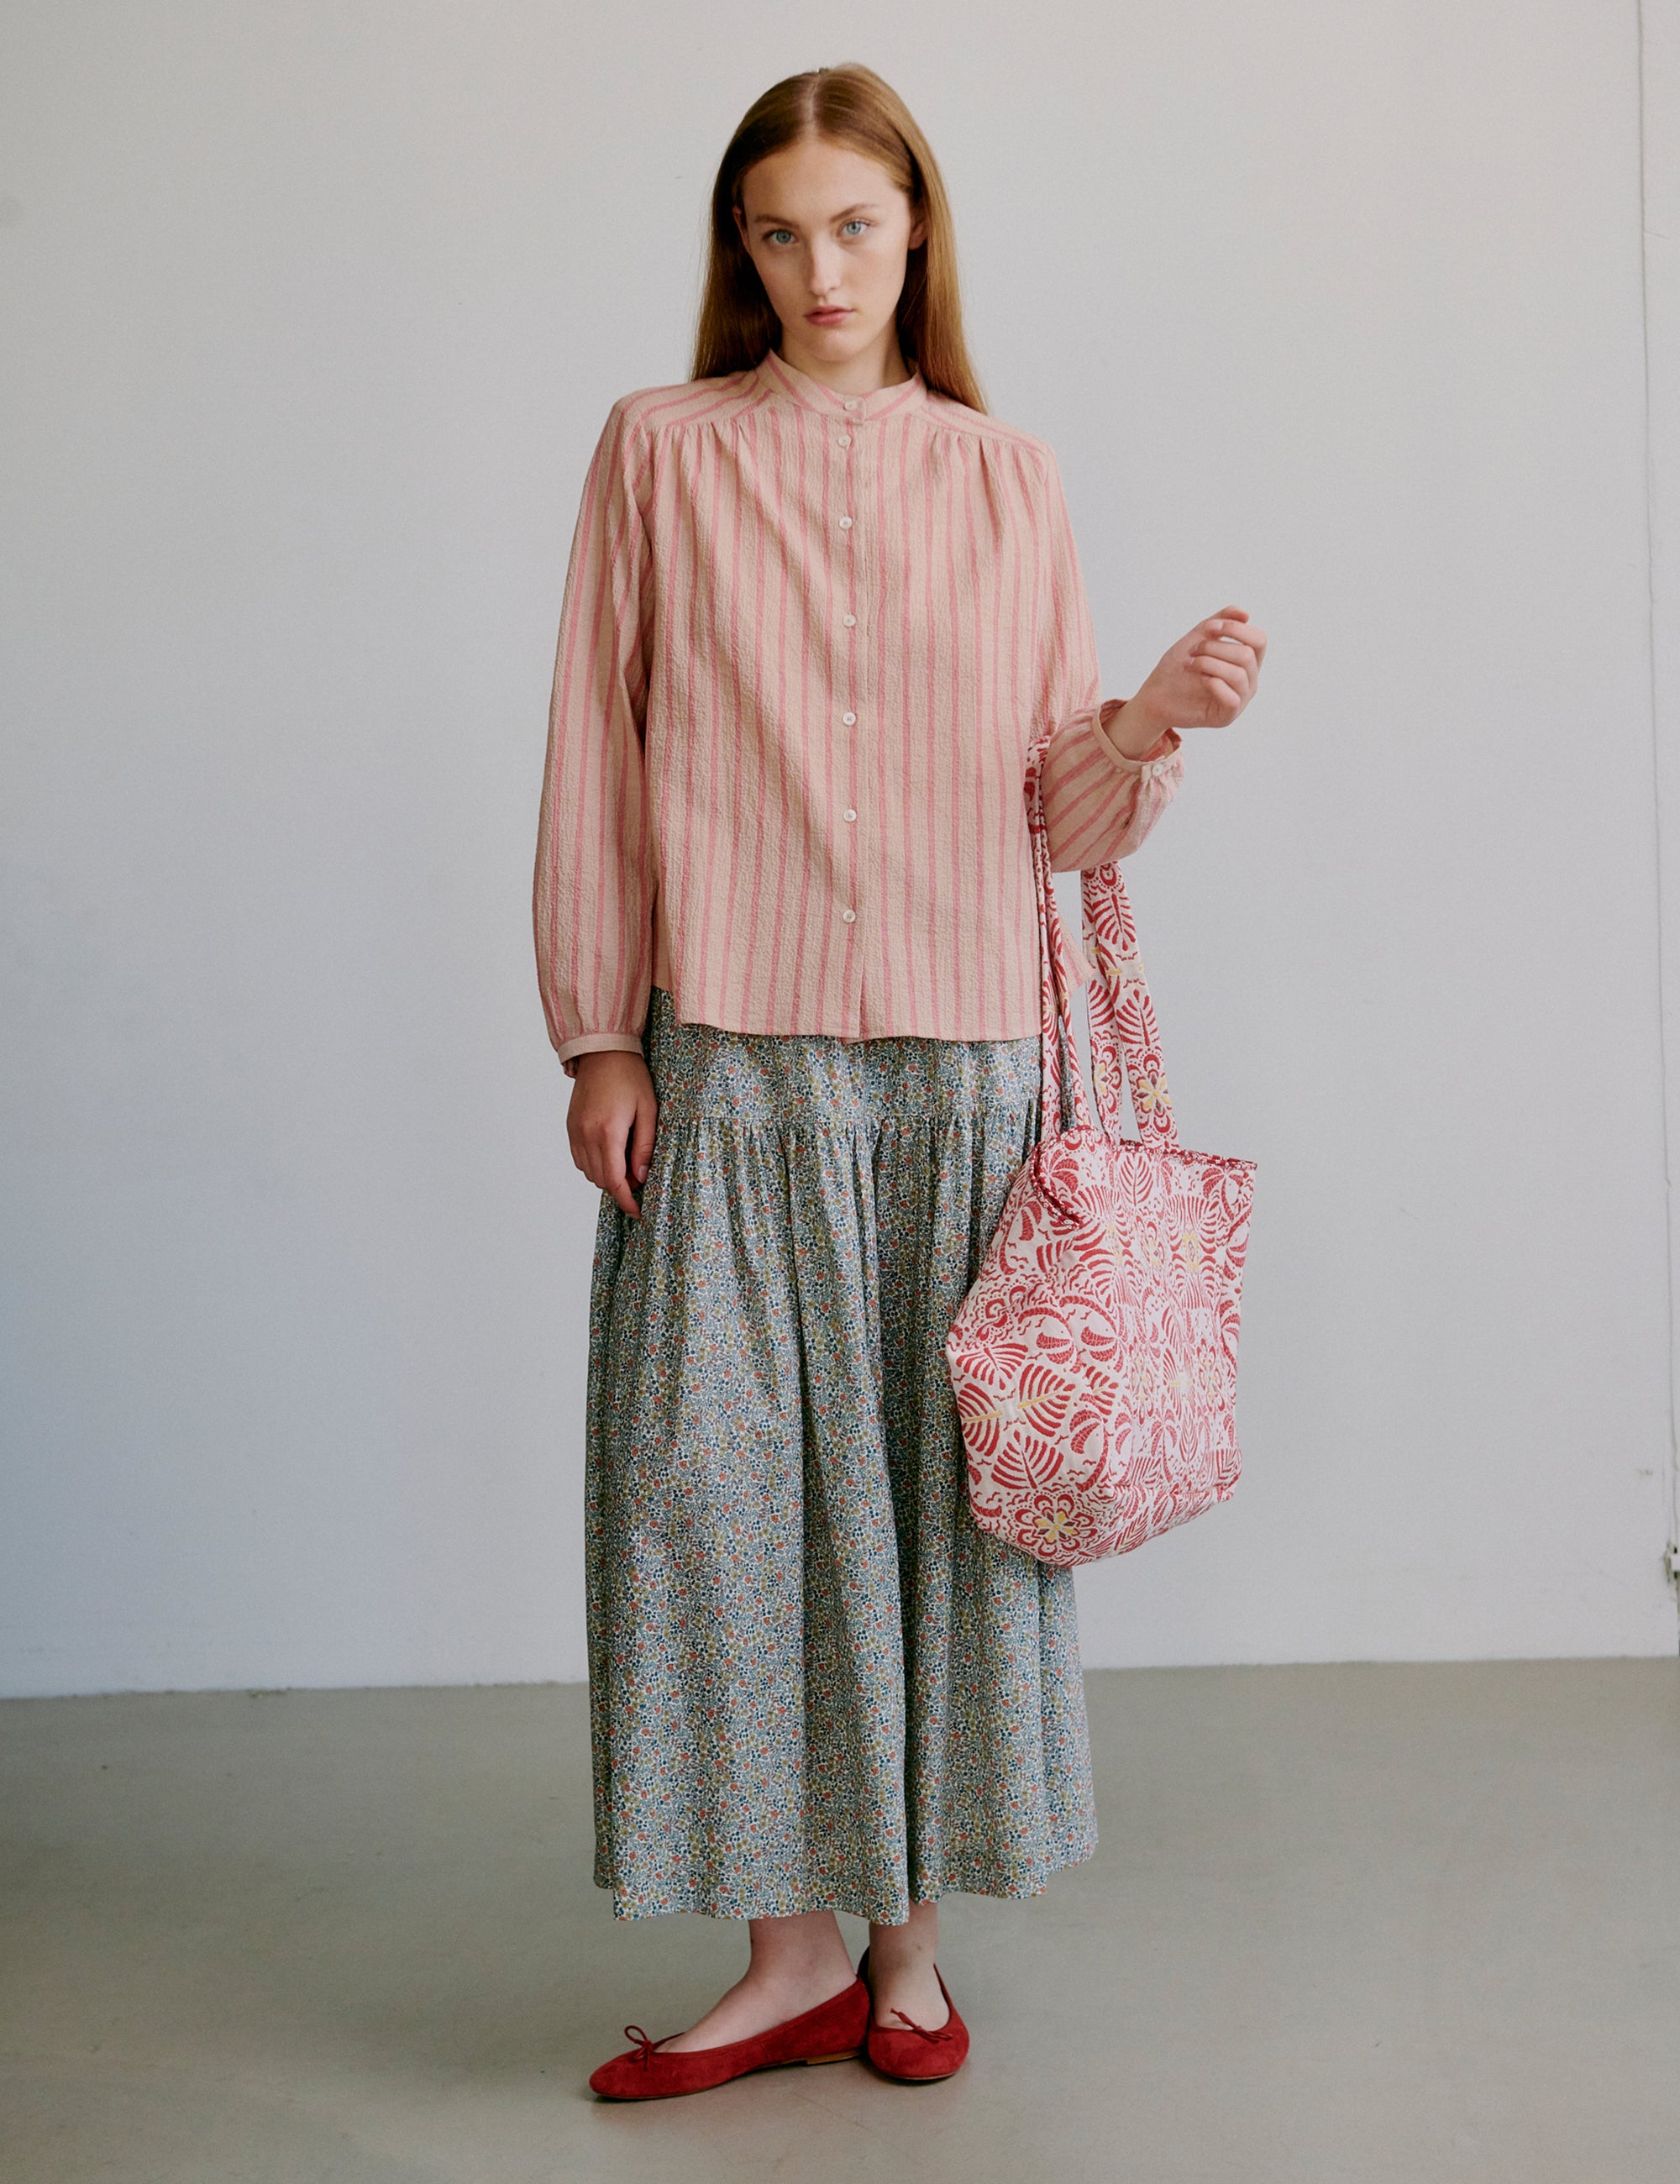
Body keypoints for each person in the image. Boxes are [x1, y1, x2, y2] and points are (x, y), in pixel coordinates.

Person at [533, 60, 1265, 2103]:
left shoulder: (1003, 473)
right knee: (725, 1506)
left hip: (966, 1069)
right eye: (779, 228)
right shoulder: (658, 452)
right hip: (736, 1065)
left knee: (944, 1521)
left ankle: (910, 1954)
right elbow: (598, 746)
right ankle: (783, 1959)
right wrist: (599, 1027)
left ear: (915, 232)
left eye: (856, 223)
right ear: (737, 248)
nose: (819, 264)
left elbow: (1057, 813)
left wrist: (1146, 720)